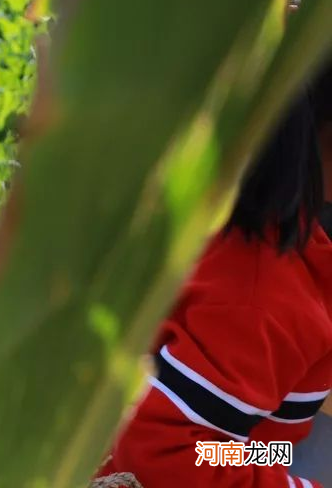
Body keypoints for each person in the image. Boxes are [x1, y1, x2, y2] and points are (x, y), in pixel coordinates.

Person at [95, 56, 332, 487]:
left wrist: (274, 462)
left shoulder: (273, 243)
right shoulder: (263, 294)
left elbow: (237, 447)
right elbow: (163, 449)